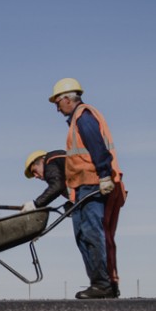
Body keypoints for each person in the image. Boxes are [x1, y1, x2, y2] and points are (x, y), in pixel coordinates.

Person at [50, 78, 126, 299]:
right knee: (85, 234)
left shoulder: (84, 117)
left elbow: (97, 146)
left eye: (57, 102)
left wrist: (104, 174)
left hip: (92, 184)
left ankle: (102, 284)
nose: (57, 108)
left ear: (66, 99)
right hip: (84, 186)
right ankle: (105, 283)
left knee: (91, 233)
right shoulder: (78, 119)